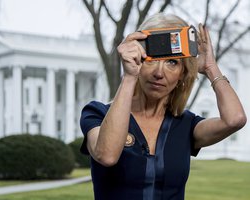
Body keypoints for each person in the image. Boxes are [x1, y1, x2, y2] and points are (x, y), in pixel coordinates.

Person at [80, 13, 247, 200]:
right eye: (151, 59)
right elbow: (107, 155)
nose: (159, 73)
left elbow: (235, 119)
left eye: (172, 62)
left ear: (182, 75)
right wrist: (129, 76)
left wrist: (210, 67)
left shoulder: (186, 124)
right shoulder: (97, 113)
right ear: (139, 61)